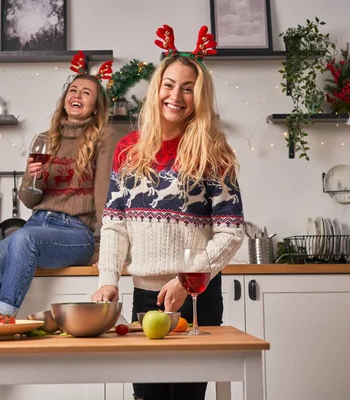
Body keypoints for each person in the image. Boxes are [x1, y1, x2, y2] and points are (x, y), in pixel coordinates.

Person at [91, 25, 245, 400]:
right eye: (169, 85)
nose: (176, 96)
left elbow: (231, 231)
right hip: (145, 299)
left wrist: (189, 279)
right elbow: (115, 225)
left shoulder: (214, 151)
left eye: (188, 88)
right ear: (156, 89)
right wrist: (108, 279)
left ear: (200, 97)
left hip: (196, 297)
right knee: (148, 396)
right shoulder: (128, 149)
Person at [0, 53, 117, 321]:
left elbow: (103, 193)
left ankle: (3, 317)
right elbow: (29, 200)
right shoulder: (45, 139)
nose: (78, 96)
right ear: (64, 99)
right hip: (36, 225)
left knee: (24, 238)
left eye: (86, 93)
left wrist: (103, 247)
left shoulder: (102, 137)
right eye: (73, 90)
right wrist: (32, 179)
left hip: (76, 233)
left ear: (95, 106)